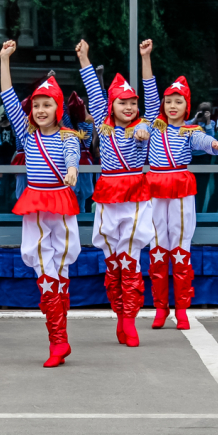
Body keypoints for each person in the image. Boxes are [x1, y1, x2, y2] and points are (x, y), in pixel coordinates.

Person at [0, 39, 81, 367]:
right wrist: (5, 61)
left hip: (60, 204)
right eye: (36, 105)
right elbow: (7, 98)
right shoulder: (26, 135)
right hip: (35, 203)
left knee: (58, 273)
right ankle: (58, 340)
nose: (41, 110)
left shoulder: (67, 136)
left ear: (58, 108)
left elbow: (72, 153)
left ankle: (59, 340)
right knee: (44, 272)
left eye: (47, 105)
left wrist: (73, 167)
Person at [140, 40, 218, 331]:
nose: (172, 105)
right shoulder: (154, 122)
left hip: (179, 187)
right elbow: (149, 88)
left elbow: (202, 141)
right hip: (155, 187)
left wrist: (213, 144)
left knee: (181, 247)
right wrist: (146, 57)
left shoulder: (191, 129)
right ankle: (160, 308)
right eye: (168, 101)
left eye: (178, 101)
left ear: (187, 106)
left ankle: (183, 308)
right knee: (157, 247)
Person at [76, 39, 152, 348]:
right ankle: (119, 315)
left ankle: (130, 321)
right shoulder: (104, 127)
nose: (129, 107)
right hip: (109, 193)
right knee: (113, 262)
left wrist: (145, 59)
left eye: (133, 102)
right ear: (111, 106)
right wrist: (84, 58)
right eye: (123, 102)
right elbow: (94, 90)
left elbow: (153, 97)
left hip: (134, 192)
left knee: (131, 259)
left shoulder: (144, 127)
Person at [187, 101, 216, 213]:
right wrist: (195, 120)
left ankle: (199, 212)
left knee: (202, 187)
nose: (203, 114)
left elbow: (211, 139)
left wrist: (207, 121)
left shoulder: (211, 124)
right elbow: (185, 132)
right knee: (190, 188)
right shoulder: (190, 122)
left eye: (206, 111)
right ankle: (190, 212)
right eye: (201, 111)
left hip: (204, 158)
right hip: (191, 158)